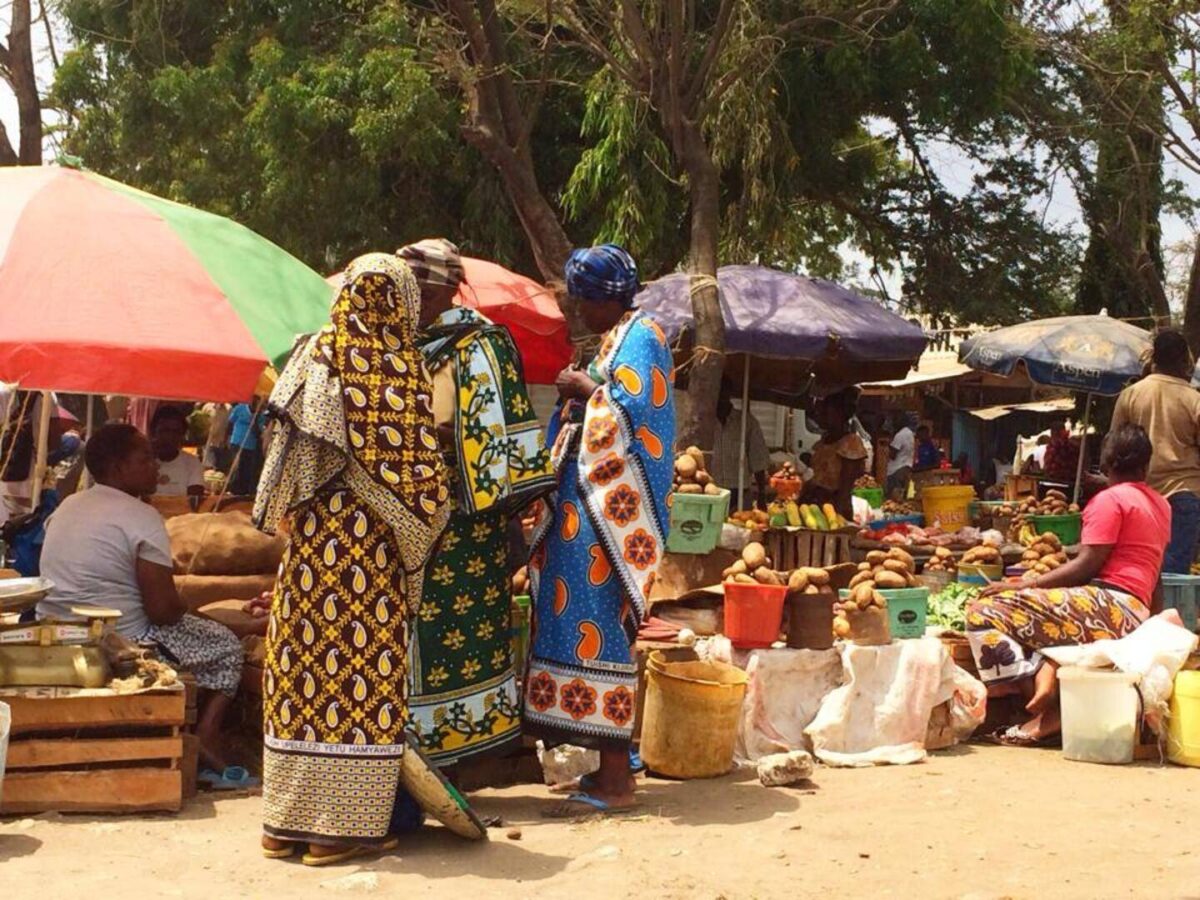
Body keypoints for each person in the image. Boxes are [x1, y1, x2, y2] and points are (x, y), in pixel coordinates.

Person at [254, 254, 450, 866]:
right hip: (366, 558)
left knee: (300, 672)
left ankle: (283, 824)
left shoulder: (311, 355)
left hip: (309, 551)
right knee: (358, 679)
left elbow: (280, 462)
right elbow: (422, 485)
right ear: (400, 303)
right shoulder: (399, 369)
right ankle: (336, 831)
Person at [525, 244, 674, 817]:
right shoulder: (618, 339)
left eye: (581, 300)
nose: (577, 311)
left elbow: (636, 418)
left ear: (602, 297)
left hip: (613, 519)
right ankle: (610, 762)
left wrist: (585, 392)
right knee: (581, 628)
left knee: (603, 634)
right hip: (588, 514)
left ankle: (616, 779)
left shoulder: (643, 337)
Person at [397, 237, 555, 768]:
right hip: (406, 518)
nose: (408, 293)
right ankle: (415, 754)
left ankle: (474, 756)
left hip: (468, 521)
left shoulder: (483, 342)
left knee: (464, 636)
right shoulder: (396, 345)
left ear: (443, 286)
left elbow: (507, 421)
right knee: (412, 636)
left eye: (415, 283)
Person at [37, 424, 244, 771]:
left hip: (56, 626)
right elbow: (162, 611)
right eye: (145, 459)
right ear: (118, 468)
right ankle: (206, 733)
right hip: (122, 637)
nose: (156, 466)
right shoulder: (143, 517)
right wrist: (193, 610)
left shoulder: (69, 505)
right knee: (228, 647)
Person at [966, 424, 1169, 746]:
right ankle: (1046, 678)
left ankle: (1029, 694)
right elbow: (1154, 573)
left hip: (1108, 604)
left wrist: (1023, 585)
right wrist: (1149, 627)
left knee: (982, 611)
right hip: (1134, 610)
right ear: (1146, 465)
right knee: (1042, 614)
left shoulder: (1109, 500)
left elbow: (1088, 564)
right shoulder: (1161, 504)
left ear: (1105, 465)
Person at [1111, 329, 1200, 574]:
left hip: (1137, 497)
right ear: (1184, 360)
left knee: (1138, 570)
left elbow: (1113, 448)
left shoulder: (1130, 395)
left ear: (1155, 359)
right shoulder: (1193, 399)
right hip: (1183, 494)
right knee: (1173, 575)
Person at [800, 388, 868, 521]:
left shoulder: (851, 443)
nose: (820, 415)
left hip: (834, 510)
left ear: (840, 414)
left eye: (826, 411)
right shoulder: (823, 441)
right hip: (814, 507)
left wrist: (837, 518)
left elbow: (845, 487)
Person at [710, 391, 770, 509]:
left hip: (739, 494)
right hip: (710, 492)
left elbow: (758, 459)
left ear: (729, 394)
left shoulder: (746, 422)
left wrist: (761, 494)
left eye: (723, 392)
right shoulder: (704, 421)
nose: (720, 397)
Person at [150, 406, 205, 501]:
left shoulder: (192, 463)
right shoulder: (143, 461)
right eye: (164, 430)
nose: (169, 437)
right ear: (154, 432)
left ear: (182, 436)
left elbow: (195, 499)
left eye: (176, 432)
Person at [226, 402, 265, 496]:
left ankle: (243, 490)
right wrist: (226, 438)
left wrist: (255, 419)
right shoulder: (239, 408)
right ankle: (232, 489)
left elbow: (258, 432)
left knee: (246, 468)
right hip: (236, 442)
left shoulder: (261, 415)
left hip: (250, 445)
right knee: (236, 466)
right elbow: (230, 423)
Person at [1042, 418, 1081, 484]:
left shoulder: (1054, 445)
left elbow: (1048, 465)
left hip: (1055, 479)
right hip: (1070, 480)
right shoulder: (1072, 444)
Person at [886, 414, 915, 499]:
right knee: (902, 496)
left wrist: (888, 447)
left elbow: (893, 455)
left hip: (896, 469)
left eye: (896, 420)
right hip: (906, 467)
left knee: (894, 497)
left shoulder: (900, 435)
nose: (894, 423)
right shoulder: (910, 434)